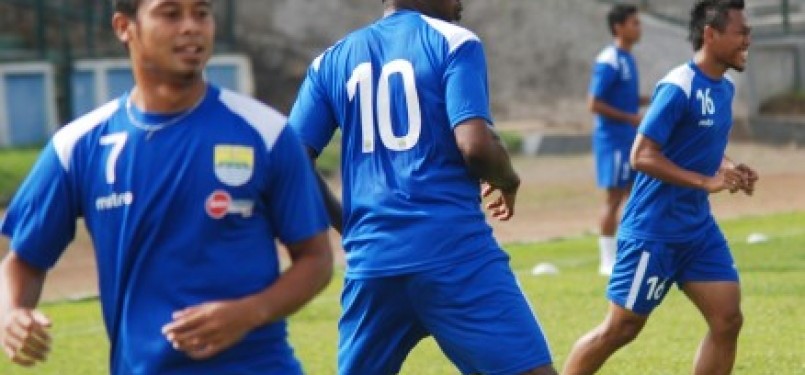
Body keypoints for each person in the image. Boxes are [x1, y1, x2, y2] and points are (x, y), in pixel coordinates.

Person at [0, 0, 333, 373]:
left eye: (201, 13)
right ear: (124, 27)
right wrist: (12, 314)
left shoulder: (266, 133)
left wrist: (248, 313)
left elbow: (316, 259)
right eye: (171, 13)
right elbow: (22, 263)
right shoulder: (80, 146)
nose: (191, 27)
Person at [288, 0, 557, 374]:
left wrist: (349, 227)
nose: (461, 3)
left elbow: (290, 159)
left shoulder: (330, 60)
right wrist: (507, 179)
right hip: (454, 255)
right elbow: (475, 145)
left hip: (373, 263)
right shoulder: (455, 42)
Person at [563, 1, 756, 374]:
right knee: (620, 329)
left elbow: (704, 148)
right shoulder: (678, 85)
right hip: (654, 230)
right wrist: (705, 181)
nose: (748, 39)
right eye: (741, 32)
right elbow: (641, 155)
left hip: (697, 230)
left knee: (727, 320)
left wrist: (731, 168)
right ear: (710, 34)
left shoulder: (725, 89)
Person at [588, 4, 649, 276]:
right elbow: (595, 103)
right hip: (612, 141)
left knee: (636, 197)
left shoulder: (628, 58)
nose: (639, 27)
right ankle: (606, 261)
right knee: (614, 199)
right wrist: (630, 117)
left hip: (629, 140)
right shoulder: (609, 60)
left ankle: (631, 254)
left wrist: (651, 100)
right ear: (618, 27)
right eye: (634, 23)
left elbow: (623, 98)